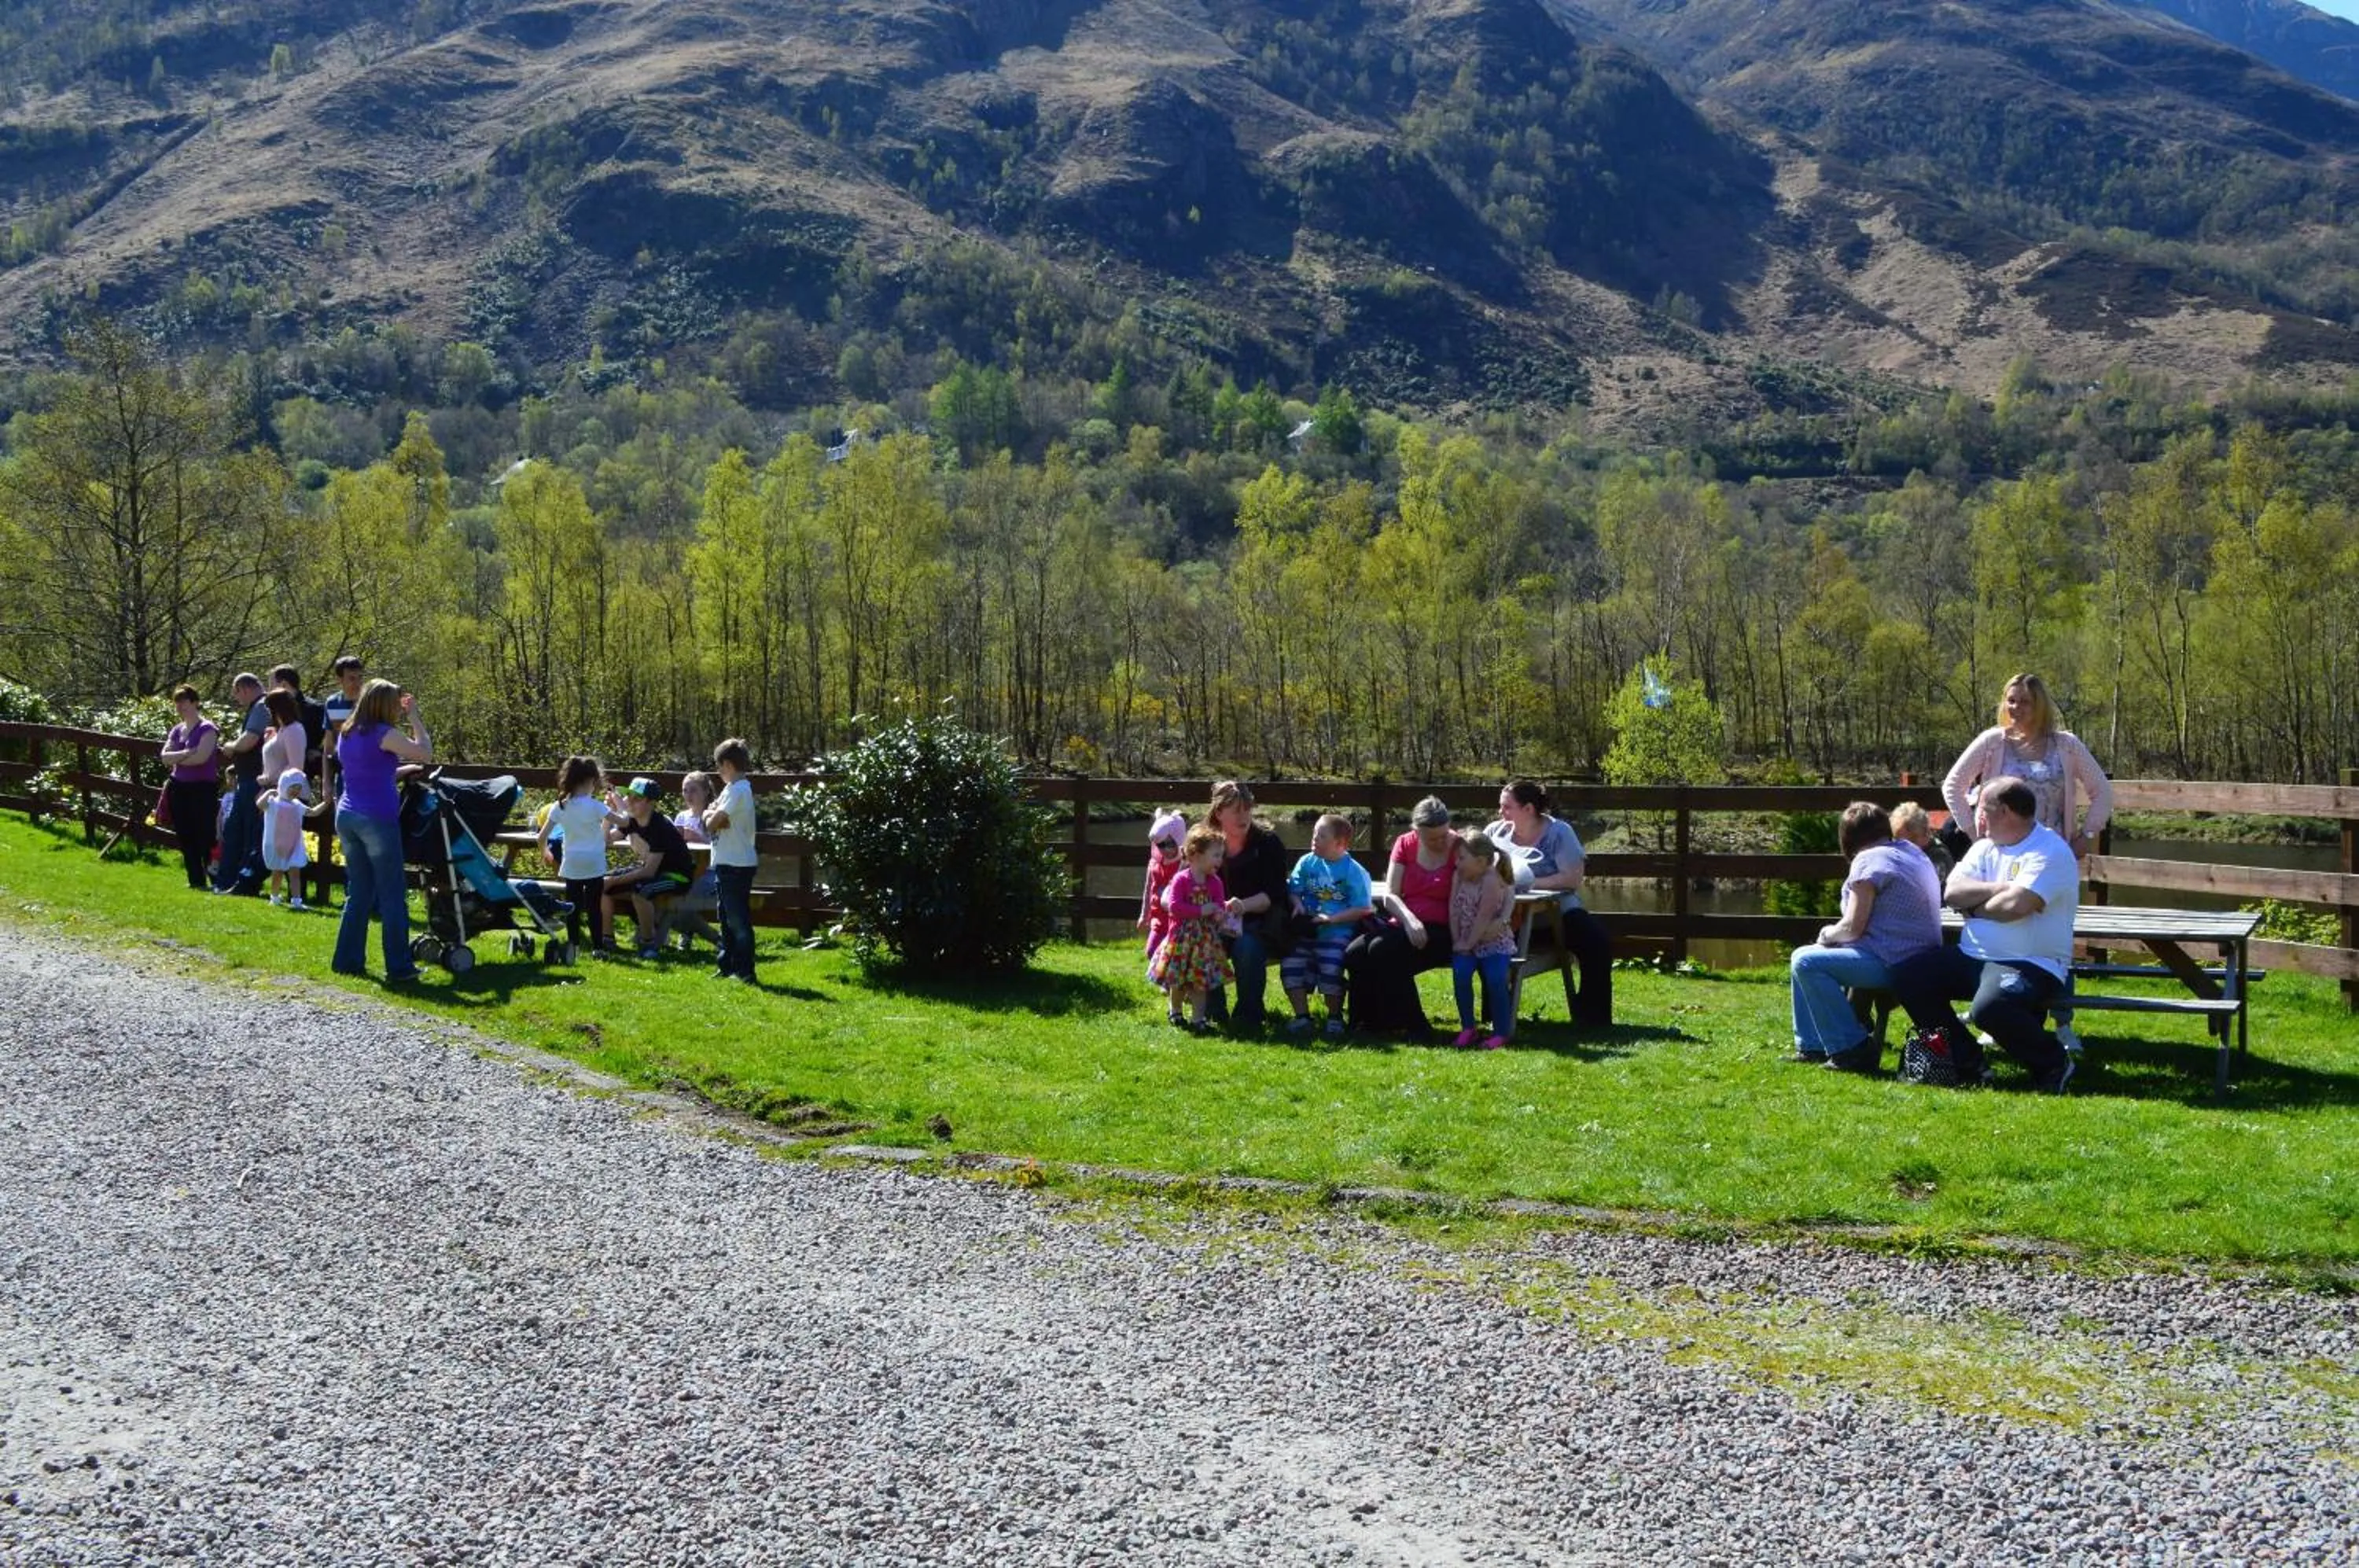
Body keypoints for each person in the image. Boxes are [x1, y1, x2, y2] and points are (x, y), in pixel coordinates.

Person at [1942, 672, 2111, 1055]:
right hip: (2003, 854)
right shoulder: (1993, 741)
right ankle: (2003, 1013)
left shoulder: (2066, 745)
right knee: (2003, 927)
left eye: (2025, 701)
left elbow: (2102, 791)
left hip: (2050, 856)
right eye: (2011, 700)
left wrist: (2087, 834)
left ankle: (2062, 1024)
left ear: (2041, 705)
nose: (2016, 708)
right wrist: (1974, 833)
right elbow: (1953, 784)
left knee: (2054, 933)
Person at [1890, 778, 2081, 1094]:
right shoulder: (1983, 847)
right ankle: (1967, 1061)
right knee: (1909, 977)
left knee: (1990, 1009)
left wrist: (1975, 908)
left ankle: (2053, 1063)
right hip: (1971, 955)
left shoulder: (2050, 850)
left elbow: (2016, 906)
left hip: (2029, 962)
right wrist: (2001, 887)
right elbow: (1952, 892)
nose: (1976, 816)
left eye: (1981, 808)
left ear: (2003, 811)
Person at [1785, 802, 1945, 1073]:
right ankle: (1812, 1046)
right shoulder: (1911, 852)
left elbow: (1852, 928)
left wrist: (1826, 934)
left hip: (1895, 961)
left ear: (1848, 838)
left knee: (1806, 961)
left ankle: (1852, 1049)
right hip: (1923, 958)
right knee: (1804, 956)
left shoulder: (1869, 860)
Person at [1485, 779, 1612, 1028]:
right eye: (1501, 806)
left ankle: (1593, 1018)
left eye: (1507, 807)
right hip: (1510, 917)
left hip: (1557, 915)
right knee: (1488, 943)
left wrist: (1528, 884)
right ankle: (1496, 1014)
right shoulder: (1493, 834)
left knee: (1596, 941)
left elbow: (1572, 878)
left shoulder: (1559, 833)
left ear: (1528, 809)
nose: (1500, 812)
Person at [331, 679, 432, 983]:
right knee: (392, 894)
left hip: (347, 815)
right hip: (376, 819)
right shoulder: (384, 733)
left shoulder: (347, 732)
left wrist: (401, 771)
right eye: (395, 705)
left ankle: (347, 961)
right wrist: (415, 717)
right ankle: (399, 967)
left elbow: (368, 771)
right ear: (385, 705)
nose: (398, 711)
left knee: (359, 892)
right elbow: (425, 753)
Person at [1344, 796, 1459, 1041]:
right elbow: (1390, 894)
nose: (1440, 842)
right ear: (1417, 832)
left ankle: (1415, 1025)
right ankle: (1365, 1022)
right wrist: (1409, 920)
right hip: (1406, 924)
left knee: (1383, 950)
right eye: (1432, 838)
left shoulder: (1460, 847)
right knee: (1355, 952)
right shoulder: (1405, 844)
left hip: (1445, 929)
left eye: (1443, 835)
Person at [1203, 780, 1290, 1031]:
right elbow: (1189, 883)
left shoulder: (1268, 843)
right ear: (1219, 812)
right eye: (1236, 811)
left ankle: (1249, 1015)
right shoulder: (1203, 842)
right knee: (1205, 941)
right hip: (1214, 919)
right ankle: (1212, 1012)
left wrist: (1241, 905)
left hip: (1259, 920)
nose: (1244, 817)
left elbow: (1275, 893)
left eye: (1247, 809)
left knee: (1247, 946)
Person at [1281, 813, 1375, 1040]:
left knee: (1331, 968)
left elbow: (1363, 908)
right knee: (1290, 965)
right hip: (1307, 928)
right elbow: (1294, 889)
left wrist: (1332, 920)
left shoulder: (1354, 871)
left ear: (1340, 844)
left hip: (1337, 931)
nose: (1314, 839)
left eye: (1321, 836)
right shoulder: (1307, 862)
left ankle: (1334, 1017)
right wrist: (1297, 905)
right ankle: (1302, 1017)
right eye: (1314, 834)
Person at [1149, 825, 1232, 1035]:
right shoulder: (1181, 880)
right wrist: (1201, 910)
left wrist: (1219, 914)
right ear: (1195, 855)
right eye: (1215, 855)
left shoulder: (1215, 883)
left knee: (1199, 982)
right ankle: (1175, 1010)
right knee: (1177, 981)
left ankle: (1198, 1018)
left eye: (1221, 855)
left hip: (1204, 943)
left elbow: (1219, 904)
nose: (1220, 860)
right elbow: (1174, 907)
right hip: (1181, 941)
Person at [605, 778, 696, 959]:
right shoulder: (631, 821)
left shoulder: (660, 826)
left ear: (651, 803)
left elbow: (649, 872)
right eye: (629, 796)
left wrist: (613, 881)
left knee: (641, 891)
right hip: (653, 871)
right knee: (600, 885)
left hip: (677, 876)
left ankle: (648, 945)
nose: (630, 802)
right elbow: (605, 840)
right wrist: (609, 814)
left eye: (637, 798)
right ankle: (606, 940)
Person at [539, 756, 620, 958]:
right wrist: (619, 806)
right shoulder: (595, 806)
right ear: (591, 781)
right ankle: (598, 947)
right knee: (594, 907)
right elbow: (624, 822)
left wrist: (545, 852)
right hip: (594, 864)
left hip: (572, 863)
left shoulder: (560, 806)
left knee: (573, 907)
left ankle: (573, 946)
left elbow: (542, 837)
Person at [1448, 830, 1520, 1051]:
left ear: (1480, 861)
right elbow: (1453, 909)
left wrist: (1469, 943)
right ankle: (1468, 1028)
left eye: (1462, 858)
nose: (1457, 863)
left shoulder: (1491, 880)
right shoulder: (1459, 876)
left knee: (1496, 978)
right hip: (1466, 941)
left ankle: (1501, 1032)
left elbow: (1484, 917)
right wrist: (1458, 941)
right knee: (1461, 974)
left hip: (1493, 942)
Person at [209, 673, 270, 895]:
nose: (237, 699)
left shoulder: (261, 706)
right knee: (235, 830)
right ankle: (227, 881)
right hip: (247, 778)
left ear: (244, 688)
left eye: (237, 693)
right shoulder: (260, 706)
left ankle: (239, 883)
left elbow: (249, 740)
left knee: (244, 832)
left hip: (253, 780)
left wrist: (231, 746)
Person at [706, 738, 760, 984]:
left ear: (728, 765)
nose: (718, 772)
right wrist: (712, 814)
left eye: (719, 767)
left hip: (737, 865)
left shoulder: (739, 790)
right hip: (725, 862)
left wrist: (711, 816)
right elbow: (713, 816)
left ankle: (745, 970)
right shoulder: (731, 789)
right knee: (725, 918)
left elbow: (712, 823)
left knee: (737, 920)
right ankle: (727, 965)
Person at [158, 685, 221, 891]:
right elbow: (165, 757)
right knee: (184, 833)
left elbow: (201, 758)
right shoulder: (177, 730)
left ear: (195, 703)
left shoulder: (207, 729)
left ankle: (215, 878)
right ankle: (195, 880)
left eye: (184, 701)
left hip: (202, 789)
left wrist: (176, 757)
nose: (180, 706)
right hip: (178, 788)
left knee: (205, 833)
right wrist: (186, 753)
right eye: (177, 702)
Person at [1138, 808, 1188, 1023]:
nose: (1166, 850)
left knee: (1176, 957)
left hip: (1177, 921)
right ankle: (1168, 983)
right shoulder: (1154, 864)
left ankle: (1178, 988)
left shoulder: (1184, 865)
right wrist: (1144, 915)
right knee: (1152, 950)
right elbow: (1148, 889)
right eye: (1160, 845)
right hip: (1159, 920)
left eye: (1170, 844)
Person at [258, 768, 326, 909]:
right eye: (293, 787)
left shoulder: (297, 805)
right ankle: (274, 897)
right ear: (284, 785)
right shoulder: (273, 803)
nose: (296, 791)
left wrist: (326, 803)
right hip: (277, 844)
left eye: (299, 788)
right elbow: (260, 804)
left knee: (295, 872)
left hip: (294, 844)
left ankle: (296, 901)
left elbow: (312, 812)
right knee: (278, 872)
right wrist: (268, 793)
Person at [269, 664, 327, 779]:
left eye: (271, 685)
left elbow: (331, 738)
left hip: (305, 774)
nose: (268, 690)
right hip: (278, 774)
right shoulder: (275, 711)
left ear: (284, 685)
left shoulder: (315, 709)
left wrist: (319, 751)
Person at [320, 656, 365, 778]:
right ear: (340, 680)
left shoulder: (370, 702)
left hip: (368, 771)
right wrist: (326, 782)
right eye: (352, 678)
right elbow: (329, 746)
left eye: (360, 677)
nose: (358, 683)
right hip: (342, 773)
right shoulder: (332, 703)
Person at [258, 689, 307, 798]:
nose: (267, 712)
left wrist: (270, 779)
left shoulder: (293, 730)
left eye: (268, 708)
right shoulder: (280, 731)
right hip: (274, 790)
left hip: (288, 793)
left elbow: (296, 766)